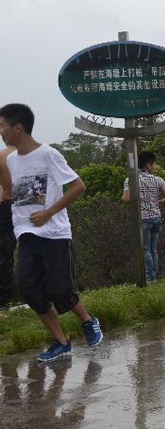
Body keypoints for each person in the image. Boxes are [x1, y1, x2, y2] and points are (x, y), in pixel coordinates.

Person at [0, 103, 102, 362]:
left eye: (3, 126)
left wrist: (48, 212)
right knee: (30, 290)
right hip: (26, 232)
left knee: (59, 289)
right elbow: (18, 192)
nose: (1, 132)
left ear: (18, 127)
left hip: (54, 233)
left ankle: (88, 320)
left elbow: (79, 187)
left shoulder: (49, 155)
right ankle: (61, 342)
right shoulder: (11, 160)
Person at [122, 151, 165, 283]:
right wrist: (161, 201)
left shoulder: (130, 179)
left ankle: (150, 278)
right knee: (153, 248)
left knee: (145, 249)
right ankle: (154, 276)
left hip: (142, 218)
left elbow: (126, 198)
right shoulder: (158, 180)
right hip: (156, 217)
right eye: (154, 164)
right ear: (148, 165)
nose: (155, 167)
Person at [0, 142, 16, 304]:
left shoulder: (2, 156)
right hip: (32, 203)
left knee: (5, 254)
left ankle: (4, 300)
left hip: (7, 203)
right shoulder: (35, 154)